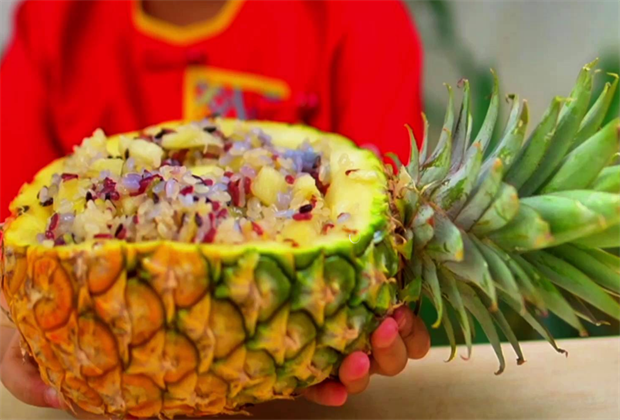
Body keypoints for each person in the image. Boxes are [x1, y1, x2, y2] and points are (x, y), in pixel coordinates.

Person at [0, 0, 429, 416]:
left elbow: (385, 237)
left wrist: (361, 309)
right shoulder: (53, 22)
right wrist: (10, 334)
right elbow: (13, 245)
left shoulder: (361, 18)